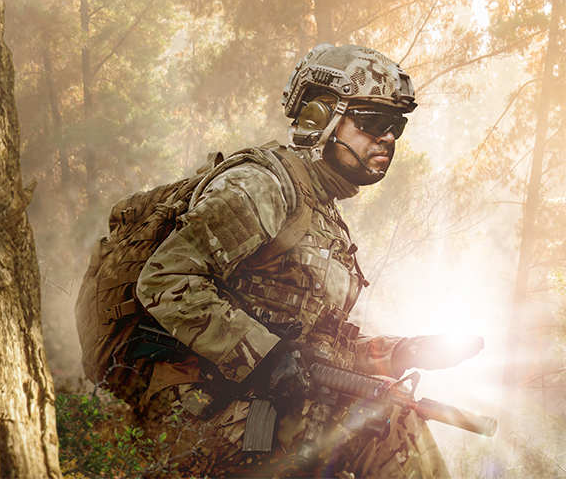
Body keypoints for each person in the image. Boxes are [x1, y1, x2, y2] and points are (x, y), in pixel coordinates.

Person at [132, 44, 481, 477]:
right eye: (373, 122)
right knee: (380, 423)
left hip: (267, 405)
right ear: (321, 117)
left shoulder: (322, 212)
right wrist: (266, 354)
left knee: (392, 412)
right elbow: (164, 280)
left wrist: (398, 353)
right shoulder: (262, 186)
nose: (387, 139)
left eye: (396, 126)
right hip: (199, 410)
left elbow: (315, 352)